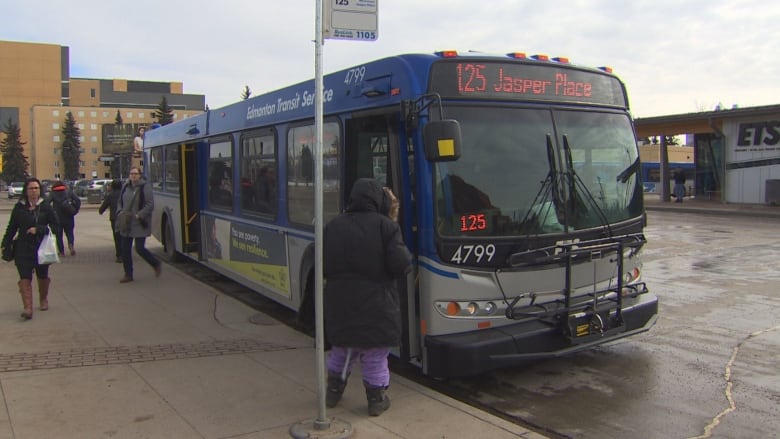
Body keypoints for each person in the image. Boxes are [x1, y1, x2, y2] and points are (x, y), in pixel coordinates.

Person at [323, 178, 411, 416]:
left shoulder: (333, 225)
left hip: (340, 303)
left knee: (343, 349)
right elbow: (401, 264)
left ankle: (333, 392)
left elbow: (322, 263)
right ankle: (376, 400)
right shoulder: (387, 227)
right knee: (374, 354)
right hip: (376, 305)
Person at [1, 178, 60, 320]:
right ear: (26, 191)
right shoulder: (19, 207)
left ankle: (43, 299)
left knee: (42, 275)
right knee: (24, 276)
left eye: (36, 188)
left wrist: (39, 229)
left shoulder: (46, 206)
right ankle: (27, 308)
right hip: (23, 247)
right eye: (31, 188)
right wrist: (5, 243)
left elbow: (56, 227)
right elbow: (12, 227)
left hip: (42, 247)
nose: (34, 191)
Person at [117, 167, 161, 283]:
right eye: (132, 174)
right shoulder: (125, 186)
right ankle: (128, 274)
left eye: (136, 174)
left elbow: (150, 204)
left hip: (139, 223)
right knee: (125, 250)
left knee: (140, 248)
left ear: (140, 175)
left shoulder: (145, 187)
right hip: (126, 222)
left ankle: (155, 263)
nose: (133, 176)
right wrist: (120, 211)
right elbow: (119, 202)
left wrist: (139, 215)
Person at [46, 179, 81, 256]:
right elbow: (78, 200)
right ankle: (71, 245)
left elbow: (46, 203)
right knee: (70, 233)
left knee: (58, 235)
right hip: (69, 216)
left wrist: (50, 212)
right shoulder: (69, 192)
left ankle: (61, 252)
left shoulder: (53, 193)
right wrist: (75, 210)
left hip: (57, 218)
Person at [99, 179, 123, 262]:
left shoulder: (110, 195)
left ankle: (119, 255)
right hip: (124, 217)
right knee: (125, 236)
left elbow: (104, 205)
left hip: (114, 218)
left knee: (117, 237)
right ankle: (125, 254)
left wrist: (101, 211)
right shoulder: (124, 194)